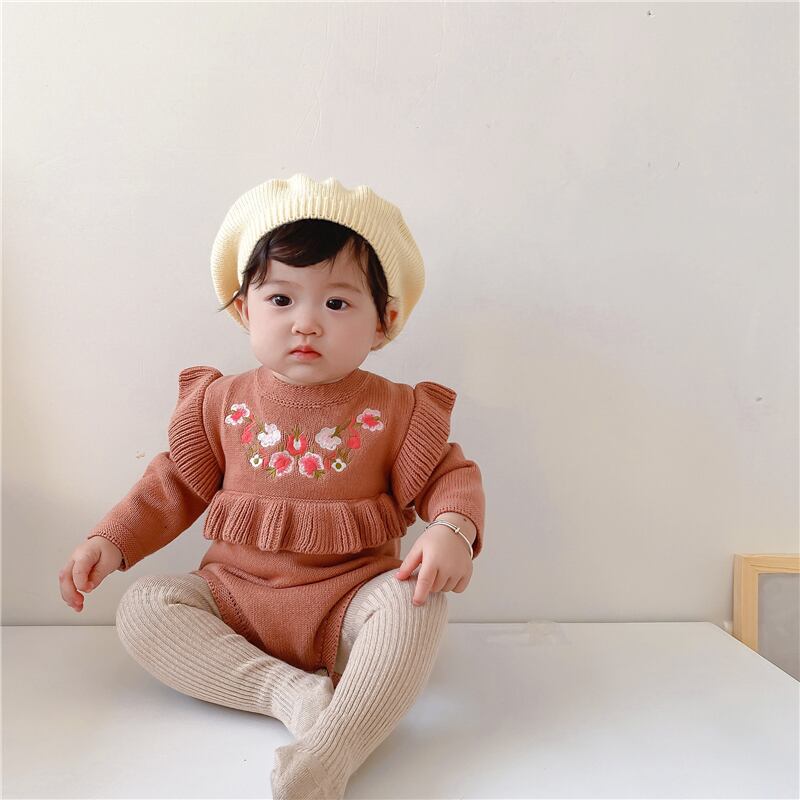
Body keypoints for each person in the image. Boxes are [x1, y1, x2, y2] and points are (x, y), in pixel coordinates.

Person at [57, 173, 486, 800]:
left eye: (337, 304)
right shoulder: (220, 403)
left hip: (349, 609)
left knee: (415, 603)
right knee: (144, 608)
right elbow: (173, 484)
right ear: (244, 310)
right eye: (281, 299)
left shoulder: (397, 410)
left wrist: (453, 528)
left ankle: (332, 754)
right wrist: (112, 540)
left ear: (384, 322)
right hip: (233, 605)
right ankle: (290, 694)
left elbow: (450, 474)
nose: (306, 324)